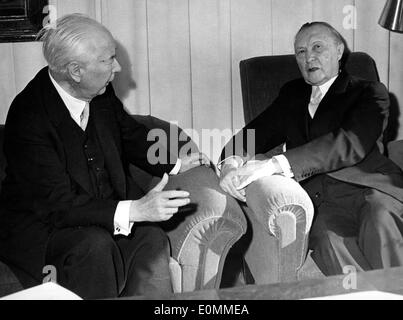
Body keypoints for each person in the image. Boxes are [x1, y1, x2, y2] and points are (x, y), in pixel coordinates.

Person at [0, 13, 210, 299]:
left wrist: (174, 164)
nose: (118, 67)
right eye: (108, 60)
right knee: (94, 246)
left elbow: (130, 134)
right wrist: (135, 210)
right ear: (75, 71)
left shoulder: (100, 91)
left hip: (95, 216)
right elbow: (58, 206)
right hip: (44, 227)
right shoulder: (29, 116)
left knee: (150, 238)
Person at [219, 21, 403, 277]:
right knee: (328, 239)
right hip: (320, 201)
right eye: (301, 51)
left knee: (380, 219)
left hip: (369, 189)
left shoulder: (369, 92)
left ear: (339, 51)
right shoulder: (292, 93)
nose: (309, 57)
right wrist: (229, 162)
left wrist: (274, 165)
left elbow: (350, 143)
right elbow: (252, 134)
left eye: (318, 47)